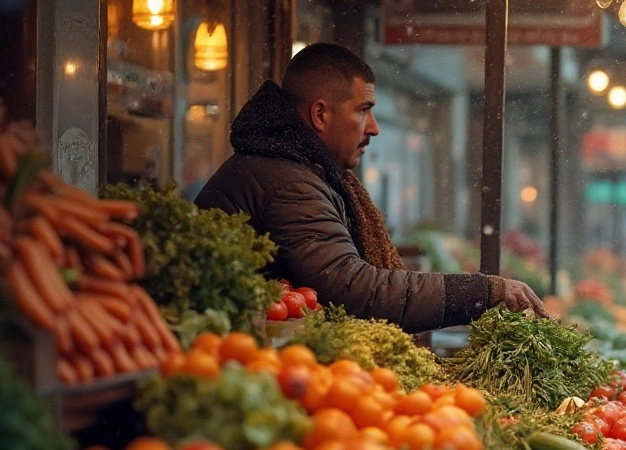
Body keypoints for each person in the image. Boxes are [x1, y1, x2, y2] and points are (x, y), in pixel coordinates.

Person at [195, 43, 546, 332]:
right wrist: (484, 290)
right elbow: (355, 290)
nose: (374, 128)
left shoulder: (294, 170)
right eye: (363, 110)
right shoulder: (288, 184)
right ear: (320, 115)